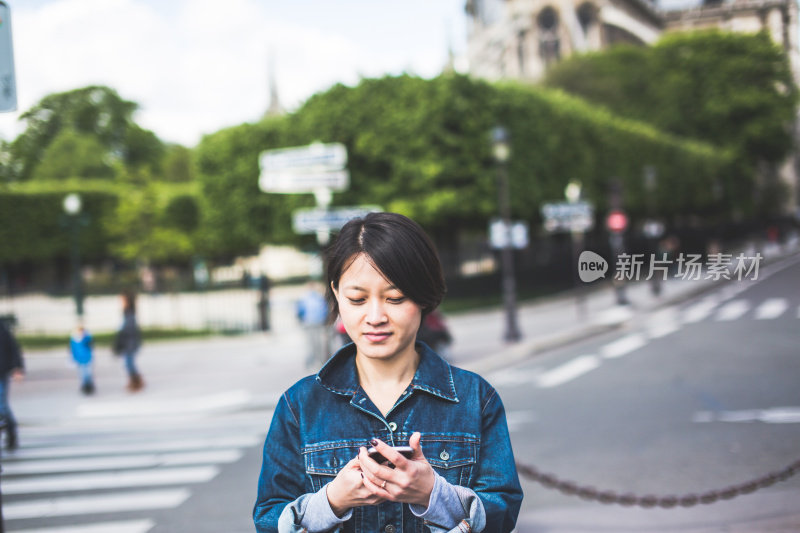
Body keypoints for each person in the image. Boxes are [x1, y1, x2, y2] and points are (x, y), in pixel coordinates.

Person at [254, 212, 523, 533]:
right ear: (337, 294)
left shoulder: (475, 398)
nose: (375, 316)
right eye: (357, 299)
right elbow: (268, 519)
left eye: (395, 298)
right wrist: (331, 501)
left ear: (424, 297)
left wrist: (434, 496)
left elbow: (502, 515)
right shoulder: (300, 404)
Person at [0, 318, 24, 450]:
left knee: (1, 406)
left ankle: (11, 431)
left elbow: (13, 347)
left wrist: (17, 367)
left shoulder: (1, 327)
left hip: (1, 372)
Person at [115, 290, 144, 392]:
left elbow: (128, 330)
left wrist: (120, 340)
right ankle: (135, 381)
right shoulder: (127, 313)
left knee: (129, 364)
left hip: (129, 344)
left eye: (122, 300)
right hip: (128, 343)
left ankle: (136, 382)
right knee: (128, 364)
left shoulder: (129, 313)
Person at [296, 282, 329, 369]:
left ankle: (315, 361)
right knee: (315, 343)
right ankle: (315, 361)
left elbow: (300, 311)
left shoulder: (306, 298)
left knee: (313, 343)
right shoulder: (317, 297)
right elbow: (324, 309)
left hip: (312, 323)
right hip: (314, 323)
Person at [69, 322, 95, 395]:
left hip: (87, 358)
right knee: (82, 374)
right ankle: (85, 387)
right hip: (79, 359)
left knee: (88, 373)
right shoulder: (74, 339)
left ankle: (89, 386)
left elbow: (91, 345)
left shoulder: (87, 338)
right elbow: (73, 350)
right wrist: (73, 358)